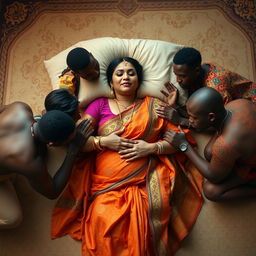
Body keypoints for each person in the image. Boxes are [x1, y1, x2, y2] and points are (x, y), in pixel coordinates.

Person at [51, 57, 203, 256]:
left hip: (144, 185)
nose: (126, 77)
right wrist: (103, 142)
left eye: (131, 73)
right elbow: (78, 142)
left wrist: (150, 148)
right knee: (101, 226)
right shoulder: (99, 105)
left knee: (140, 237)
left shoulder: (154, 106)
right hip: (105, 188)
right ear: (111, 81)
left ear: (138, 80)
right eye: (119, 73)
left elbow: (176, 141)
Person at [0, 103, 93, 229]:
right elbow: (52, 192)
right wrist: (73, 150)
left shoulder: (20, 108)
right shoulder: (29, 161)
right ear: (51, 143)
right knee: (13, 218)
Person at [163, 87, 256, 201]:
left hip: (251, 164)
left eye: (194, 118)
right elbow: (211, 124)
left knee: (210, 190)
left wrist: (184, 145)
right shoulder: (236, 104)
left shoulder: (225, 144)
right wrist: (180, 119)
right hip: (247, 142)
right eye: (190, 116)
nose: (190, 120)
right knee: (209, 152)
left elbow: (214, 177)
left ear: (211, 117)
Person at [156, 47, 256, 127]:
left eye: (182, 76)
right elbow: (198, 115)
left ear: (197, 71)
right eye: (176, 75)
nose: (178, 80)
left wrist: (180, 120)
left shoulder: (216, 89)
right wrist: (175, 105)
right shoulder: (198, 71)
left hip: (251, 107)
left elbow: (221, 124)